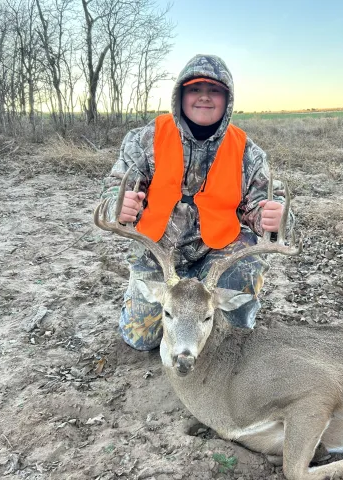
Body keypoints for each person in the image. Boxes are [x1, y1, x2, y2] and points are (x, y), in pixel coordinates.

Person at [100, 54, 285, 351]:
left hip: (217, 255)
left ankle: (231, 325)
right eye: (195, 89)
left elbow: (267, 206)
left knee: (230, 339)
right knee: (140, 339)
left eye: (214, 91)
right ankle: (150, 300)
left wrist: (271, 219)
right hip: (159, 254)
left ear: (227, 99)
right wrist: (118, 206)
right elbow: (113, 189)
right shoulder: (145, 139)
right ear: (181, 95)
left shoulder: (248, 153)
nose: (204, 98)